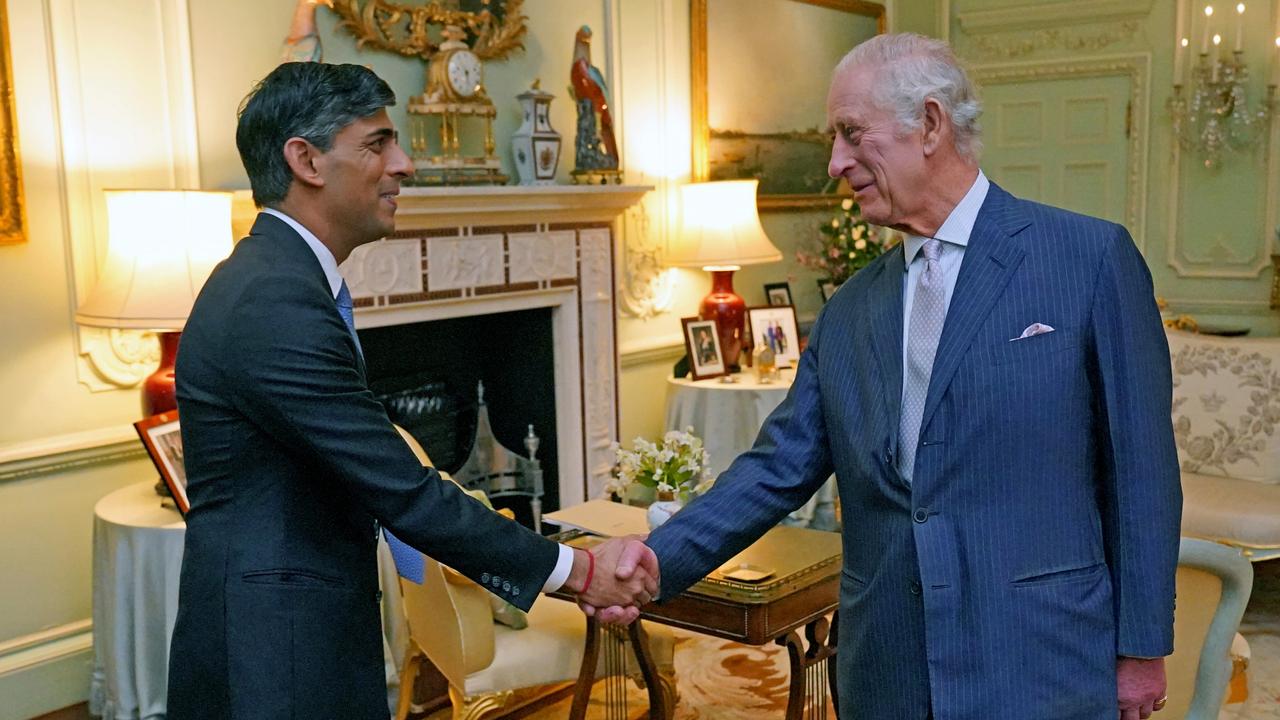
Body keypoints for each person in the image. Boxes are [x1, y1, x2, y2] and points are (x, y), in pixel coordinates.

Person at [599, 33, 1180, 720]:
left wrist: (1141, 648)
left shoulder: (1087, 260)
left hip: (1040, 660)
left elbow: (1141, 472)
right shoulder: (850, 309)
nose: (834, 162)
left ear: (930, 124)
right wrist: (655, 560)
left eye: (851, 134)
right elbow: (775, 467)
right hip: (888, 668)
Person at [165, 62, 655, 719]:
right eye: (377, 144)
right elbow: (400, 488)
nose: (405, 165)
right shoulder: (272, 301)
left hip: (292, 626)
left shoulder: (281, 281)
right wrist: (579, 572)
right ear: (305, 160)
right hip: (273, 648)